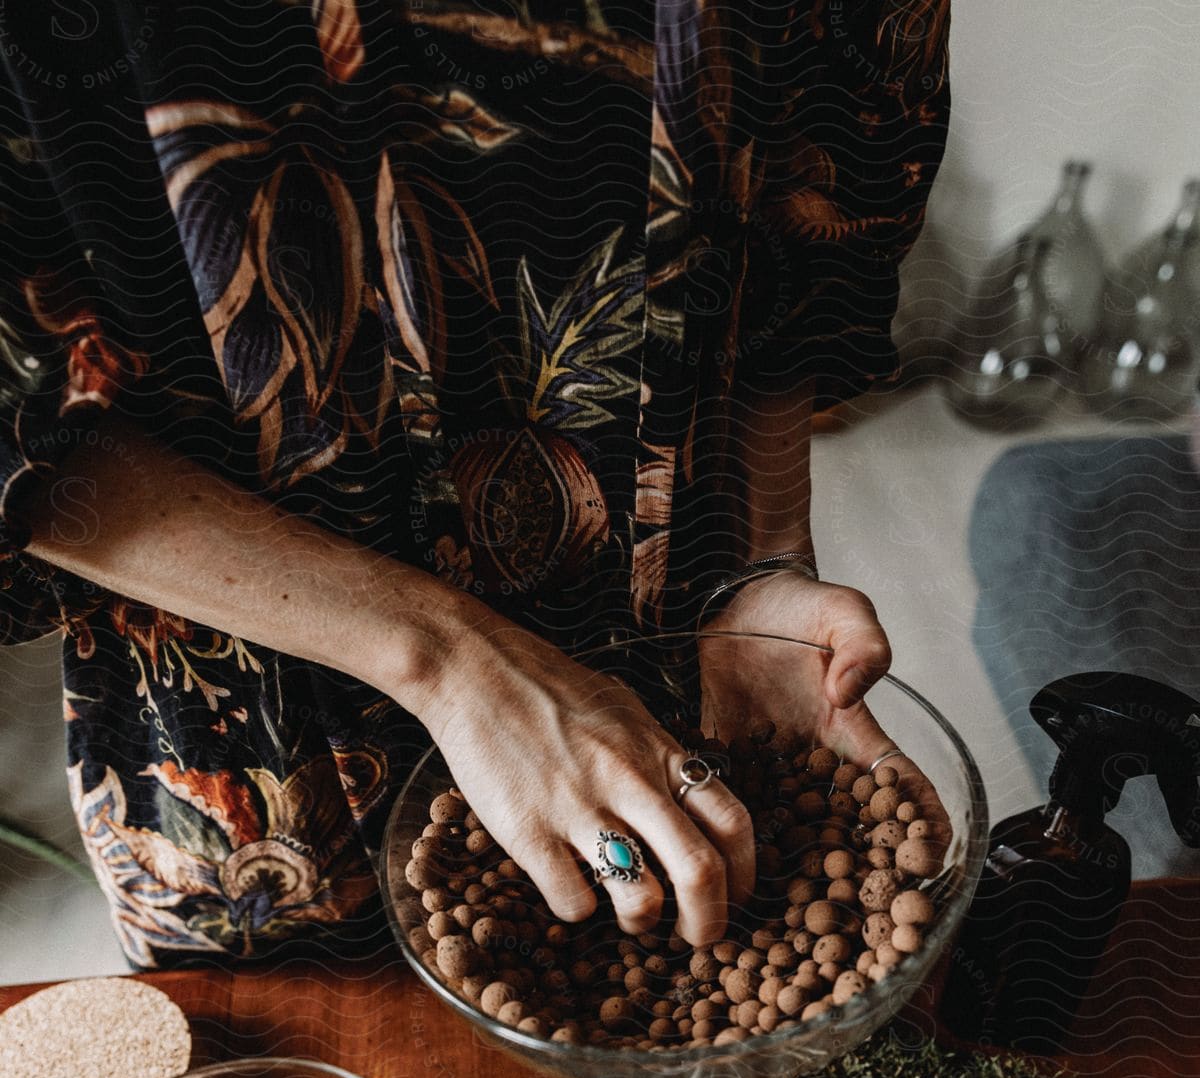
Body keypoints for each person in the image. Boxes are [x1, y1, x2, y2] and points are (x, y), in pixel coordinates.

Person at [0, 0, 950, 966]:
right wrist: (451, 664)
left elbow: (829, 198)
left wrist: (756, 562)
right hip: (273, 723)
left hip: (688, 665)